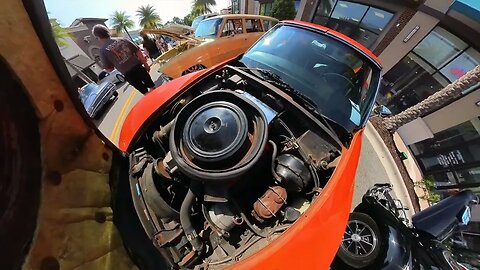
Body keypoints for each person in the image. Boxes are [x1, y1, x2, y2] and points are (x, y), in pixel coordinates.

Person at [92, 24, 154, 95]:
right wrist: (145, 64)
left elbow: (110, 69)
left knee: (146, 93)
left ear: (98, 37)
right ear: (107, 32)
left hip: (128, 74)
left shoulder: (103, 51)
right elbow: (138, 51)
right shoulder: (122, 39)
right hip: (138, 67)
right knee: (152, 86)